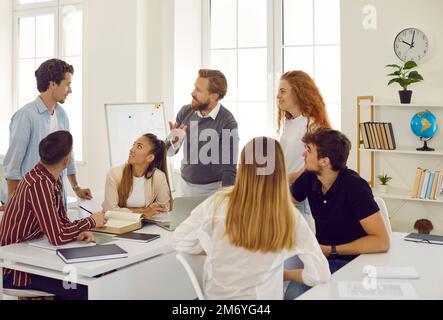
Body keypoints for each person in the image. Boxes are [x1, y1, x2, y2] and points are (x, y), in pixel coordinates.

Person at [172, 137, 330, 300]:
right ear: (280, 172)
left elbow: (179, 240)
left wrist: (212, 249)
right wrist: (286, 275)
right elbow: (320, 275)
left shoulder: (216, 202)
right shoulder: (288, 216)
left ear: (243, 167)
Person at [0, 131, 107, 300]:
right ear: (66, 161)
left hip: (32, 257)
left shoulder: (51, 177)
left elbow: (61, 222)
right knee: (85, 288)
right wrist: (91, 221)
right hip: (16, 270)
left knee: (96, 280)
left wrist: (77, 232)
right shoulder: (39, 183)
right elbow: (57, 236)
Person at [285, 128, 390, 299]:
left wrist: (331, 250)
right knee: (292, 295)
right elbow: (287, 200)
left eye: (309, 150)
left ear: (324, 161)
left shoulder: (355, 186)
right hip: (323, 260)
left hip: (355, 263)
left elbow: (381, 241)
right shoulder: (310, 177)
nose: (304, 154)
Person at [1, 59, 92, 207]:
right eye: (67, 84)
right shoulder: (25, 116)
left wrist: (76, 188)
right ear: (52, 84)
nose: (70, 90)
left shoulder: (62, 114)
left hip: (55, 198)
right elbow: (13, 164)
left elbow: (69, 154)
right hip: (29, 200)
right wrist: (13, 202)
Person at [167, 69, 239, 197]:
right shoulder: (185, 111)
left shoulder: (227, 122)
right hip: (185, 187)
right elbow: (169, 152)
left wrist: (227, 200)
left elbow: (229, 169)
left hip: (212, 191)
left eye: (198, 90)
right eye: (194, 88)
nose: (192, 93)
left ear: (214, 95)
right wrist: (173, 142)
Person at [277, 70, 331, 184]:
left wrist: (290, 178)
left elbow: (318, 163)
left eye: (283, 91)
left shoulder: (313, 125)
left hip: (301, 193)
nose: (278, 96)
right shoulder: (290, 123)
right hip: (286, 189)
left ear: (298, 93)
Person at [103, 133, 172, 219]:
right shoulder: (114, 174)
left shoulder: (158, 176)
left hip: (144, 224)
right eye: (134, 145)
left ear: (150, 157)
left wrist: (146, 211)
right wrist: (142, 212)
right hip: (118, 224)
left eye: (139, 147)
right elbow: (109, 210)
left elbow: (164, 206)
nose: (131, 149)